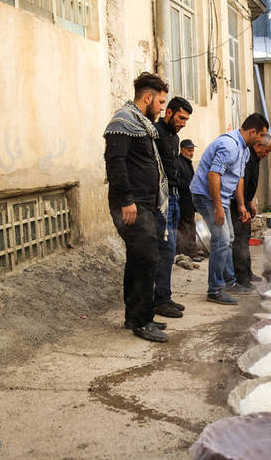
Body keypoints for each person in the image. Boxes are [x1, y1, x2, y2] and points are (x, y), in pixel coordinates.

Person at [103, 72, 170, 343]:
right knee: (147, 259)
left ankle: (134, 316)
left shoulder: (141, 124)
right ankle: (142, 322)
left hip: (144, 204)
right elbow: (115, 162)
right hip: (131, 204)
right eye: (161, 102)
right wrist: (127, 200)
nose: (162, 108)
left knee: (138, 259)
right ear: (148, 98)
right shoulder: (123, 121)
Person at [190, 113, 270, 305]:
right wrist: (218, 207)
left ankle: (229, 282)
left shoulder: (244, 149)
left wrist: (241, 204)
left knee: (230, 238)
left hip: (222, 198)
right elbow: (214, 175)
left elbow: (238, 178)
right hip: (206, 196)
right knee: (221, 240)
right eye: (261, 135)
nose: (262, 140)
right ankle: (215, 290)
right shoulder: (229, 145)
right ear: (253, 132)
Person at [152, 97, 193, 319]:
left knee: (171, 248)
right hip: (162, 199)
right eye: (181, 118)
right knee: (165, 250)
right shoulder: (155, 132)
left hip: (176, 198)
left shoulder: (175, 138)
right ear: (168, 112)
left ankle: (165, 296)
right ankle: (160, 300)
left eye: (186, 120)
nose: (183, 123)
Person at [231, 133, 271, 289]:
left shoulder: (256, 158)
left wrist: (250, 202)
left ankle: (247, 273)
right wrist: (242, 205)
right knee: (239, 241)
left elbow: (251, 183)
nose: (267, 155)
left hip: (245, 202)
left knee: (246, 237)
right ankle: (241, 279)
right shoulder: (247, 157)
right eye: (266, 151)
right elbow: (239, 182)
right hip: (237, 204)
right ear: (258, 145)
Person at [175, 139, 204, 260]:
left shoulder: (187, 162)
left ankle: (192, 250)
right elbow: (176, 181)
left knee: (191, 226)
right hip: (183, 201)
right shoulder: (178, 162)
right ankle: (189, 253)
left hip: (189, 201)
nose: (191, 153)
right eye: (189, 150)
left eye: (192, 150)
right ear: (182, 150)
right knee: (186, 227)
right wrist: (190, 185)